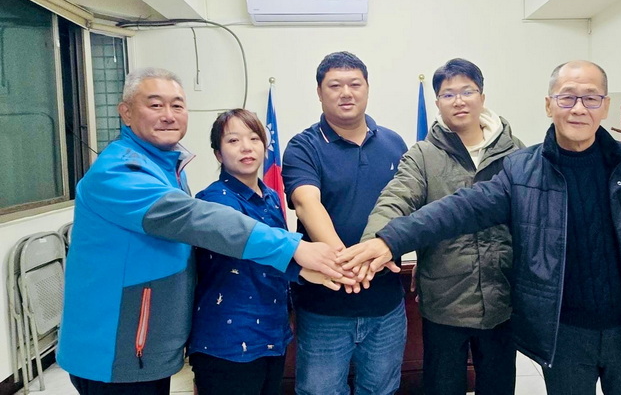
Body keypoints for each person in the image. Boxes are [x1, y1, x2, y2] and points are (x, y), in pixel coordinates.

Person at [340, 60, 621, 395]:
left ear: (605, 105)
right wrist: (389, 240)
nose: (578, 108)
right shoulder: (523, 169)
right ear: (549, 105)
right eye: (567, 97)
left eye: (590, 98)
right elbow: (460, 208)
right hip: (563, 331)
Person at [57, 68, 348, 395]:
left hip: (148, 344)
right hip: (115, 347)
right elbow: (197, 219)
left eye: (177, 105)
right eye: (155, 105)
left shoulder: (166, 167)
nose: (168, 115)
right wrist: (295, 248)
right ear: (126, 112)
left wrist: (299, 266)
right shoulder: (120, 171)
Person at [361, 58, 524, 394]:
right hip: (445, 300)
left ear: (482, 97)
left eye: (467, 91)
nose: (459, 101)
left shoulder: (516, 153)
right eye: (448, 94)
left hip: (502, 297)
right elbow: (395, 199)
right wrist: (373, 243)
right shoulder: (423, 155)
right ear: (438, 103)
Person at [188, 109, 341, 395]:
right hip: (229, 341)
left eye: (254, 138)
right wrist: (303, 265)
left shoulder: (270, 196)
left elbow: (276, 257)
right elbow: (249, 252)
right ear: (218, 154)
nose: (246, 147)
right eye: (233, 141)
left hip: (272, 334)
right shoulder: (213, 201)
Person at [282, 51, 408, 395]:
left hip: (385, 304)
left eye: (355, 84)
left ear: (367, 88)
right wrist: (349, 265)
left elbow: (406, 206)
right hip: (325, 307)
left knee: (381, 390)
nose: (346, 93)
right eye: (335, 85)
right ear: (319, 92)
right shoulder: (303, 146)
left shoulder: (394, 143)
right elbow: (307, 204)